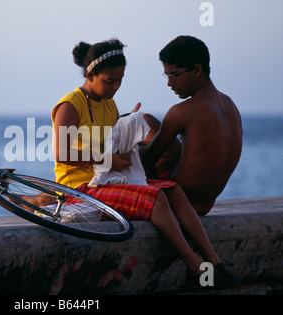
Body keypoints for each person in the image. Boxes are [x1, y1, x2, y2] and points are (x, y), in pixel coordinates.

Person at [52, 38, 239, 287]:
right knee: (156, 197)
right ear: (91, 74)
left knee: (172, 189)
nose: (115, 87)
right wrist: (106, 159)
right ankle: (195, 266)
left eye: (120, 81)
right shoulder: (70, 106)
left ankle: (215, 263)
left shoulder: (109, 105)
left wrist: (131, 128)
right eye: (109, 81)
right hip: (81, 190)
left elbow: (114, 146)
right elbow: (62, 155)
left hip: (110, 181)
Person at [141, 36, 243, 215]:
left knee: (143, 121)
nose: (169, 83)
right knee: (146, 123)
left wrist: (129, 147)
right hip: (206, 203)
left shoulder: (182, 111)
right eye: (166, 75)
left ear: (196, 70)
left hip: (180, 201)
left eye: (174, 75)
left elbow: (148, 158)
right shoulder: (230, 105)